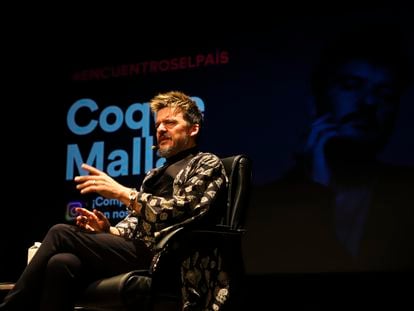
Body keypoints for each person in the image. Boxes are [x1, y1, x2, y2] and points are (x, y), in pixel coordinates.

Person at [0, 90, 228, 311]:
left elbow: (183, 209)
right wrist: (109, 230)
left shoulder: (206, 163)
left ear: (193, 129)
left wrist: (123, 193)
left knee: (61, 232)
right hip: (144, 251)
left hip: (171, 256)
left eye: (169, 123)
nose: (160, 129)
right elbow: (138, 220)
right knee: (61, 262)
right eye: (157, 124)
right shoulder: (155, 174)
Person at [249, 24, 414, 274]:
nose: (369, 102)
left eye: (386, 94)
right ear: (315, 101)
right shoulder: (261, 206)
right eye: (351, 85)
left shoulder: (408, 195)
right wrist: (313, 190)